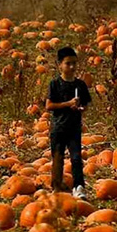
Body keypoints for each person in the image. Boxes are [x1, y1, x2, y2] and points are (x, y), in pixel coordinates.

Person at [45, 46, 91, 199]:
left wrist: (80, 107)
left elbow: (86, 105)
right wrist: (68, 103)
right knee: (57, 158)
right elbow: (49, 105)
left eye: (74, 63)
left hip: (74, 127)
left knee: (76, 158)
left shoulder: (80, 85)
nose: (72, 67)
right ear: (60, 65)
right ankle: (56, 188)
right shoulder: (55, 84)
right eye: (68, 64)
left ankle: (79, 187)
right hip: (58, 127)